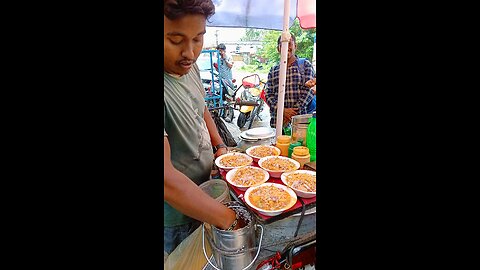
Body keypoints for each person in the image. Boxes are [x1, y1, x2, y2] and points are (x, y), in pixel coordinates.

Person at [163, 0, 240, 255]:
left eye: (198, 39)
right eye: (176, 40)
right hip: (175, 218)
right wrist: (229, 219)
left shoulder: (190, 68)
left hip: (205, 194)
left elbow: (202, 107)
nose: (190, 52)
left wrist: (219, 145)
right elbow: (166, 180)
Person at [264, 34, 316, 129]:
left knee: (299, 143)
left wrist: (292, 112)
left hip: (300, 121)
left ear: (295, 46)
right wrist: (282, 110)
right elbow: (268, 94)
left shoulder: (305, 65)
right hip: (278, 121)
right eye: (282, 44)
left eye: (289, 44)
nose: (286, 47)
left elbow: (309, 91)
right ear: (278, 48)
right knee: (277, 143)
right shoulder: (273, 70)